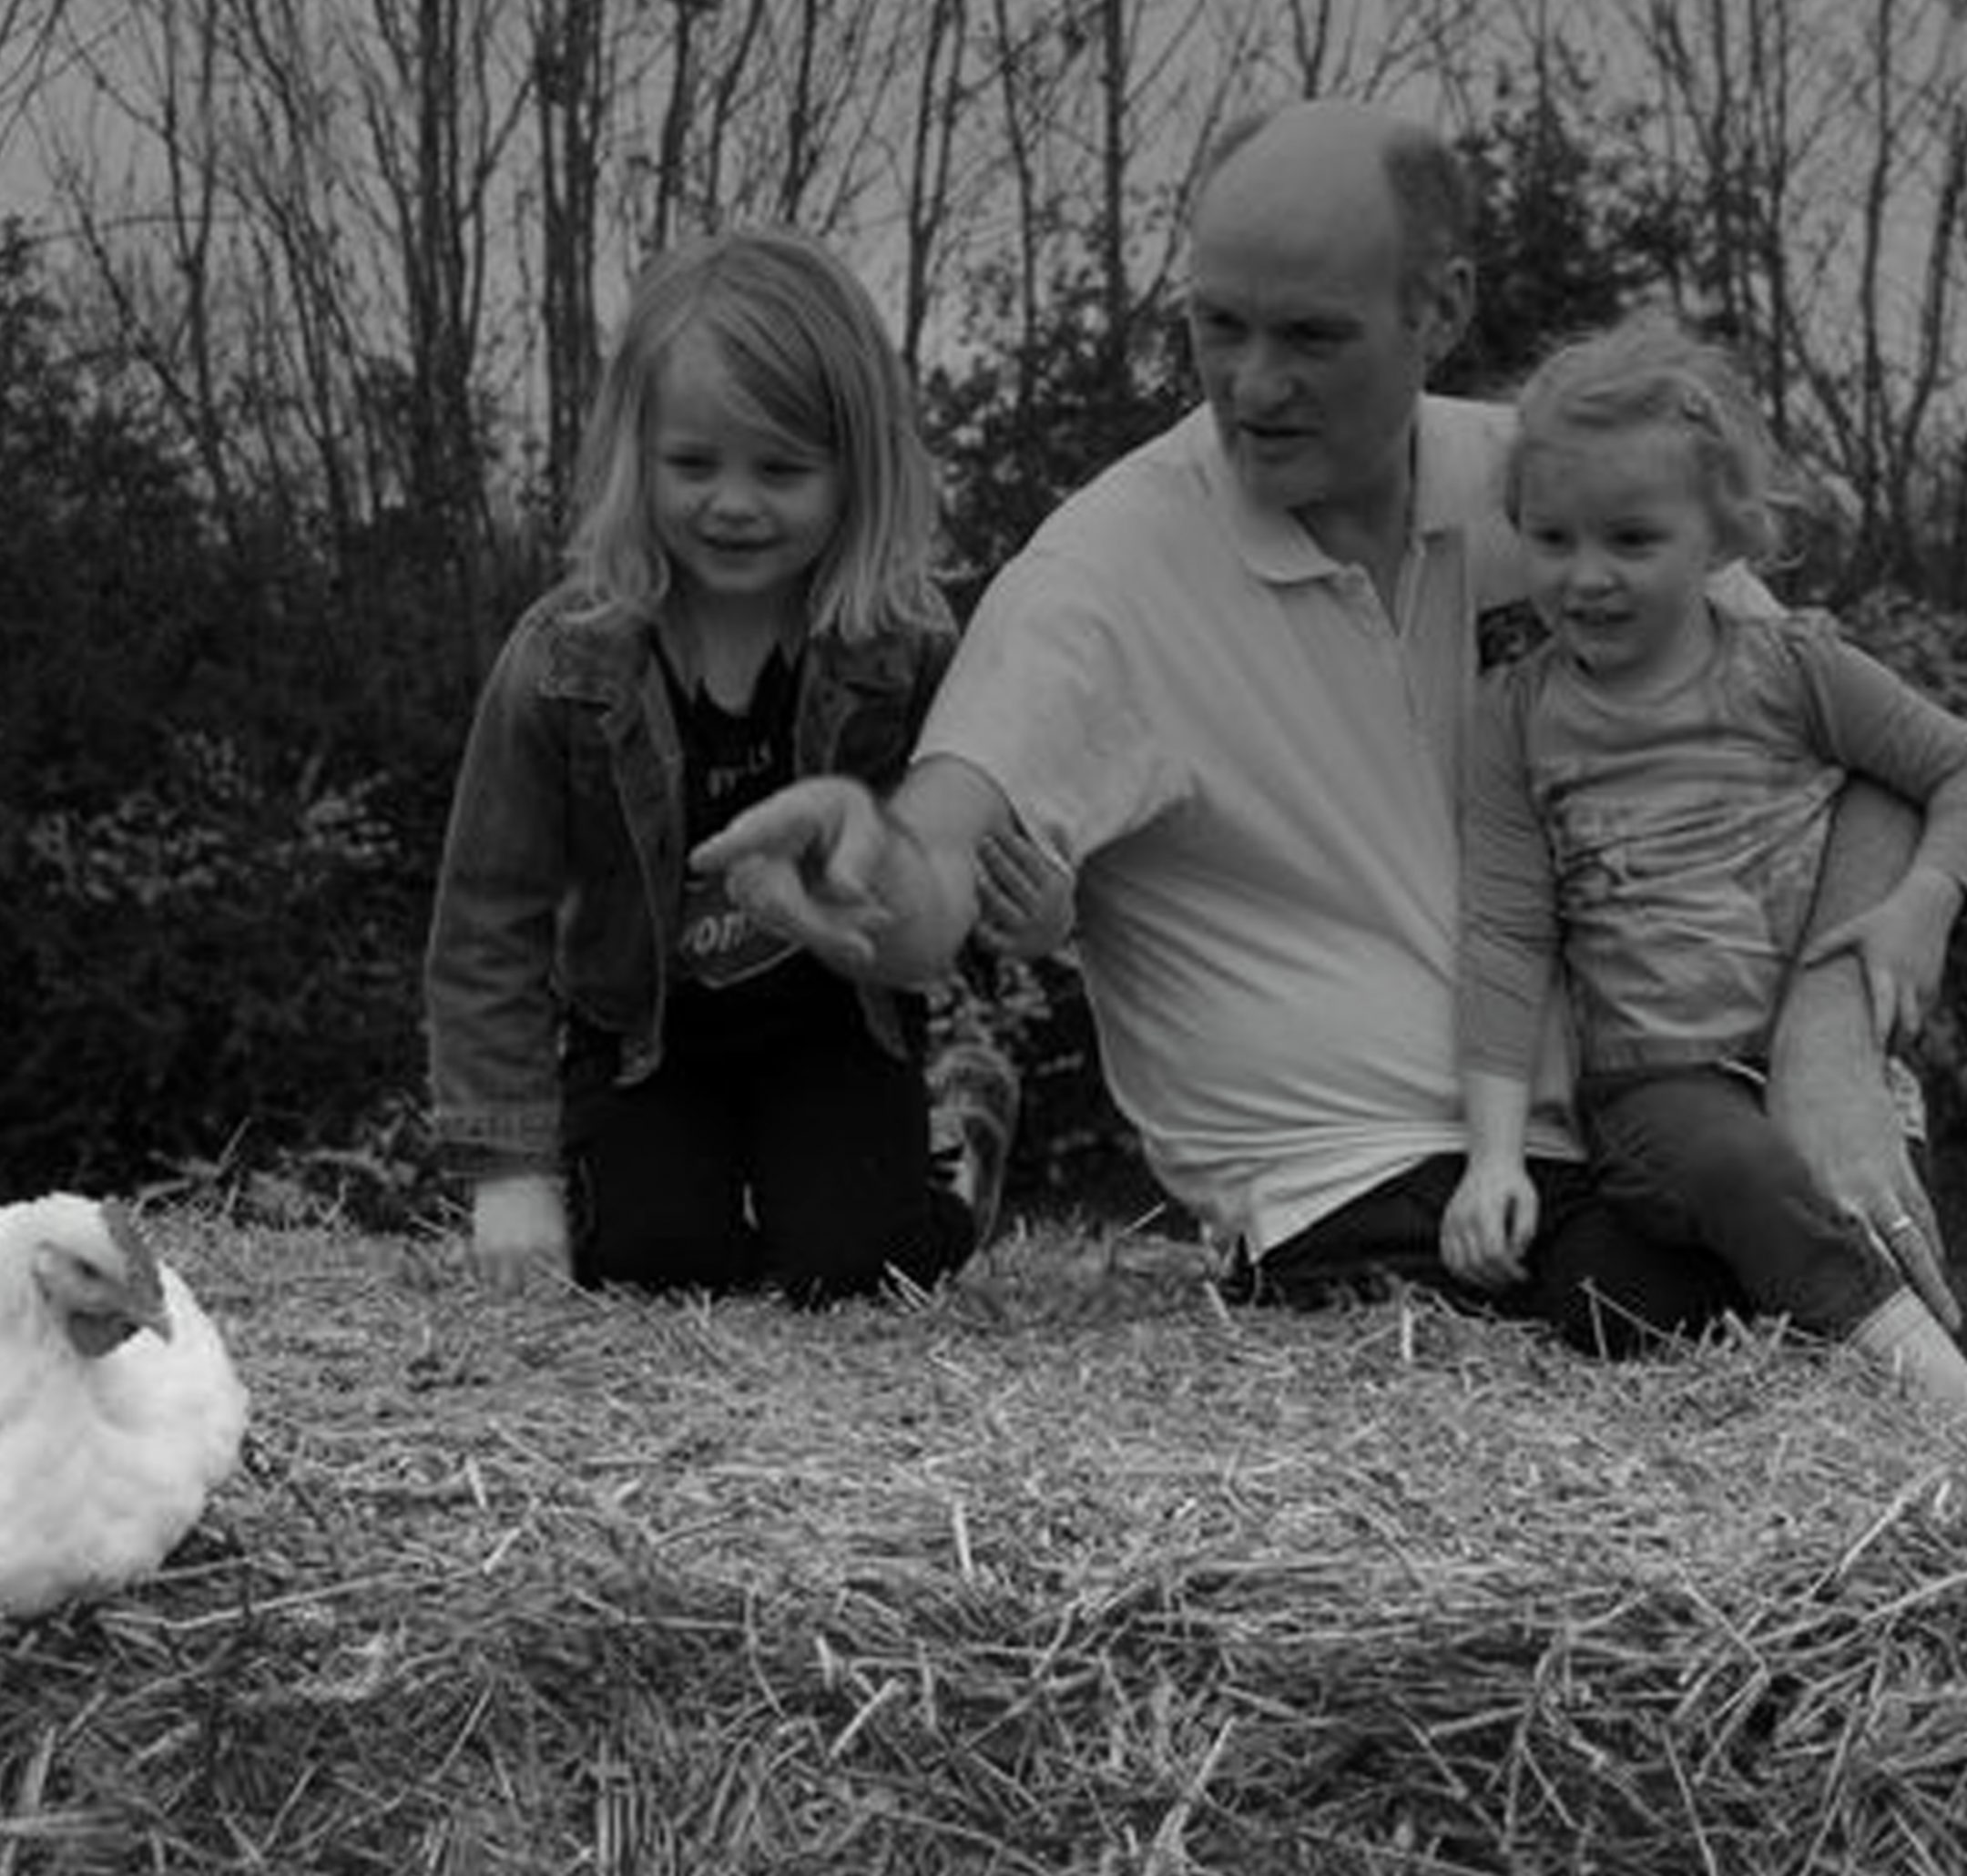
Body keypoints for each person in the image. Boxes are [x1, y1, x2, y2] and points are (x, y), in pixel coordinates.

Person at [694, 97, 1952, 1356]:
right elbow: (936, 866)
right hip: (1366, 1184)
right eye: (1216, 326)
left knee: (1819, 1276)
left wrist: (1828, 1035)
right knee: (1718, 1334)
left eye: (1309, 335)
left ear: (1441, 310)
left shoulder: (1564, 497)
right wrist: (863, 860)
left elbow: (1873, 755)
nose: (1253, 384)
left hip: (1660, 1115)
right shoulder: (1098, 577)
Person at [422, 227, 1062, 1303]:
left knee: (855, 1269)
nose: (731, 502)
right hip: (644, 1042)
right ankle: (643, 1183)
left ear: (857, 467)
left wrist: (1038, 909)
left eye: (780, 469)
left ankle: (953, 1145)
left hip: (836, 1024)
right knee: (653, 1264)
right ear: (634, 453)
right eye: (691, 464)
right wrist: (510, 1173)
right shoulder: (561, 664)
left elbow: (971, 858)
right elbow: (488, 920)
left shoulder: (906, 652)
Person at [1450, 316, 1967, 1407]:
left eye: (1631, 541)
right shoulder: (1514, 717)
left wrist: (1925, 896)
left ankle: (1866, 1359)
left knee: (1877, 1209)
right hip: (1656, 1089)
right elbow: (1505, 935)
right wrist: (1492, 1156)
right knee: (1743, 1173)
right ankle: (1934, 1387)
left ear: (1720, 536)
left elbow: (1952, 769)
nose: (1584, 577)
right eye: (1551, 539)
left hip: (1816, 1070)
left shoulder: (1792, 670)